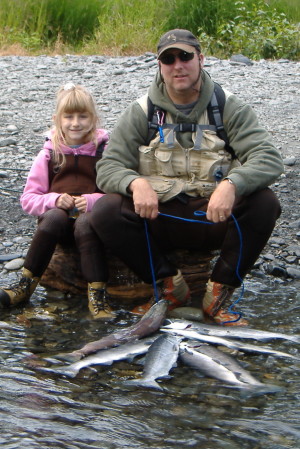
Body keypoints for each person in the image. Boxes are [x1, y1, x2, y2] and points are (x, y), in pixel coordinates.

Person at [90, 29, 284, 326]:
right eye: (168, 59)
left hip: (211, 217)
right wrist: (134, 182)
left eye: (185, 56)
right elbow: (108, 167)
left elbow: (268, 158)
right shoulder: (141, 112)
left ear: (200, 59)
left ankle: (218, 294)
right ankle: (169, 287)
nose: (177, 65)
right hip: (160, 218)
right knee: (105, 210)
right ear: (159, 65)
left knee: (265, 203)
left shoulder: (228, 107)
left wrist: (233, 184)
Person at [0, 83, 114, 319]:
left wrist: (93, 200)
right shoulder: (49, 154)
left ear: (93, 118)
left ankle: (97, 295)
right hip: (59, 225)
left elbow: (116, 195)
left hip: (92, 225)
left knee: (86, 223)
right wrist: (53, 199)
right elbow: (28, 199)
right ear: (57, 119)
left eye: (82, 116)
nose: (75, 123)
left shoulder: (104, 152)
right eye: (69, 116)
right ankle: (26, 284)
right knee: (52, 217)